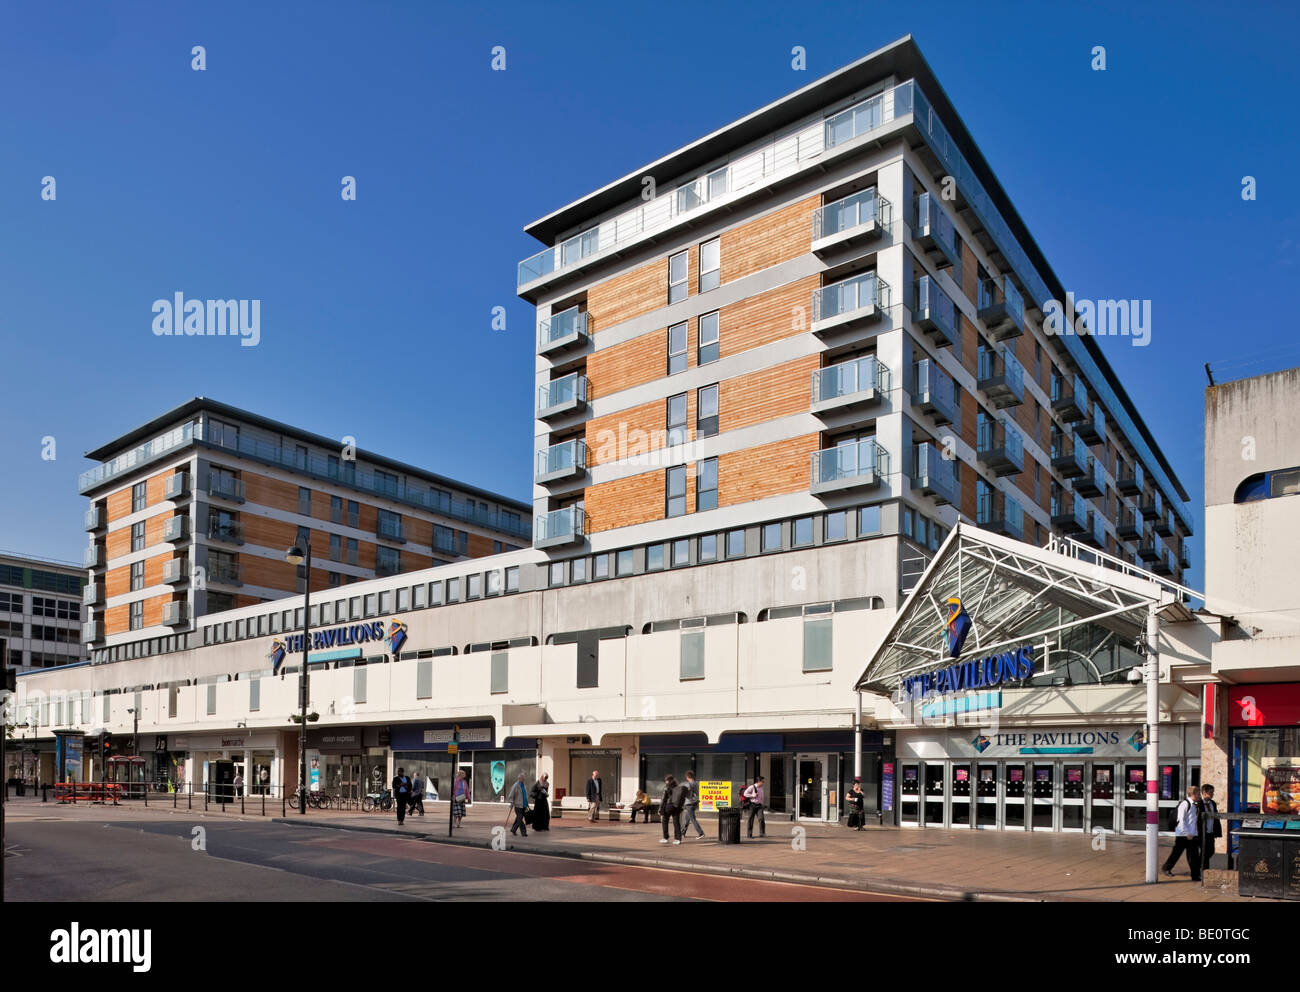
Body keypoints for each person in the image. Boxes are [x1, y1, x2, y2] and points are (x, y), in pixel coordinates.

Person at [1162, 786, 1204, 882]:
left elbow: (1192, 821)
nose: (1199, 796)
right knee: (1177, 853)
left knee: (1193, 855)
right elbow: (1180, 820)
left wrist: (1194, 833)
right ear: (1192, 794)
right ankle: (1166, 868)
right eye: (1198, 794)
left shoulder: (1194, 805)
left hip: (1192, 835)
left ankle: (1195, 875)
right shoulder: (1185, 804)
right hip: (1183, 835)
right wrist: (1187, 833)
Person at [1201, 784, 1223, 870]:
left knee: (1211, 851)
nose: (1212, 794)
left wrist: (1217, 831)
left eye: (1213, 792)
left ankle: (1204, 867)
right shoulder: (1199, 804)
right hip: (1202, 832)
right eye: (1211, 792)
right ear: (1204, 793)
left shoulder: (1212, 803)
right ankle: (1202, 869)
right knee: (1203, 852)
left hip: (1211, 831)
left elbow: (1216, 817)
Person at [660, 775, 685, 845]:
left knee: (664, 821)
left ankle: (665, 837)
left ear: (668, 781)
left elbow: (663, 799)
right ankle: (678, 839)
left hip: (668, 806)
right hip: (677, 807)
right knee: (676, 822)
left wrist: (661, 809)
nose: (665, 782)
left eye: (666, 780)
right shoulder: (677, 787)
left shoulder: (667, 787)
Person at [681, 771, 705, 839]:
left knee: (692, 819)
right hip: (695, 802)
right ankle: (683, 832)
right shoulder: (696, 783)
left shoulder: (688, 784)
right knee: (687, 818)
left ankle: (701, 833)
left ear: (687, 777)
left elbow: (685, 793)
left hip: (689, 803)